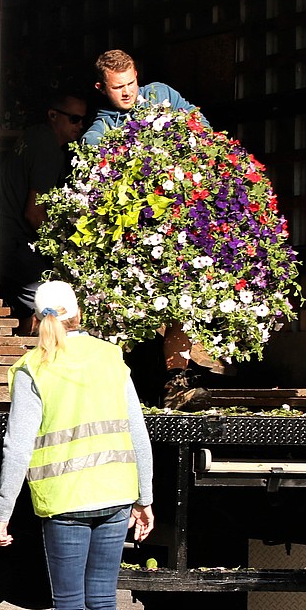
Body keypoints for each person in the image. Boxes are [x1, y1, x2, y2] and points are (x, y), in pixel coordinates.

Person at [0, 280, 153, 610]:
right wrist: (144, 497)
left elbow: (17, 446)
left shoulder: (32, 368)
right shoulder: (110, 357)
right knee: (103, 606)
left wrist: (2, 511)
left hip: (64, 502)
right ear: (78, 314)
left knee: (66, 609)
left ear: (34, 317)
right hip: (116, 496)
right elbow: (136, 433)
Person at [83, 48, 216, 408]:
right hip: (136, 237)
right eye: (117, 87)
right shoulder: (103, 128)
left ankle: (178, 383)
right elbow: (91, 152)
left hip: (178, 226)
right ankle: (123, 387)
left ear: (137, 76)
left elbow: (201, 129)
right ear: (102, 87)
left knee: (182, 304)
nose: (126, 92)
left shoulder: (161, 95)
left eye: (130, 83)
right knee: (131, 311)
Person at [0, 91, 89, 335]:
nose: (80, 126)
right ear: (53, 116)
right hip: (14, 247)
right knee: (56, 303)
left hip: (1, 242)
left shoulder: (32, 135)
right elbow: (34, 213)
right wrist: (62, 254)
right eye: (74, 119)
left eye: (83, 121)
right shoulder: (49, 150)